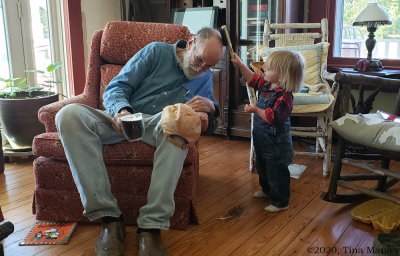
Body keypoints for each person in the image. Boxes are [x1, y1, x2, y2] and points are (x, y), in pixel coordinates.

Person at [55, 27, 224, 256]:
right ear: (191, 42)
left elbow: (210, 123)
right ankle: (110, 219)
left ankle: (151, 227)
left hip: (157, 125)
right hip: (122, 119)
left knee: (180, 127)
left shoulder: (203, 76)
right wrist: (121, 111)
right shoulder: (156, 52)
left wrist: (212, 107)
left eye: (209, 66)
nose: (202, 68)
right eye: (200, 59)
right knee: (68, 115)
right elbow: (117, 86)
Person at [230, 51, 304, 213]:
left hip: (276, 142)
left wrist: (256, 109)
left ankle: (280, 201)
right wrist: (241, 64)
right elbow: (253, 78)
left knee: (276, 169)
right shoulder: (267, 85)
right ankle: (267, 190)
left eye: (269, 68)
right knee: (262, 165)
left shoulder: (285, 97)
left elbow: (273, 117)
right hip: (262, 137)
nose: (264, 70)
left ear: (283, 75)